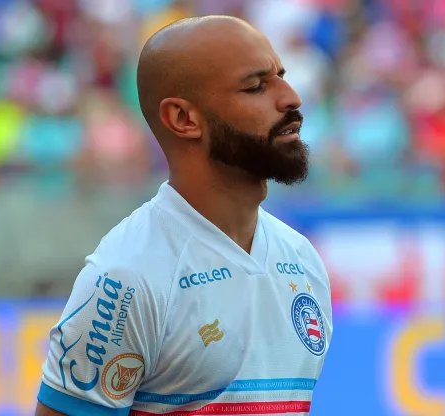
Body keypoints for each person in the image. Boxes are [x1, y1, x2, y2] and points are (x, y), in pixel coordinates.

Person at [35, 15, 333, 416]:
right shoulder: (127, 278)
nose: (292, 96)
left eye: (282, 76)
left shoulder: (302, 259)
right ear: (184, 119)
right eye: (256, 86)